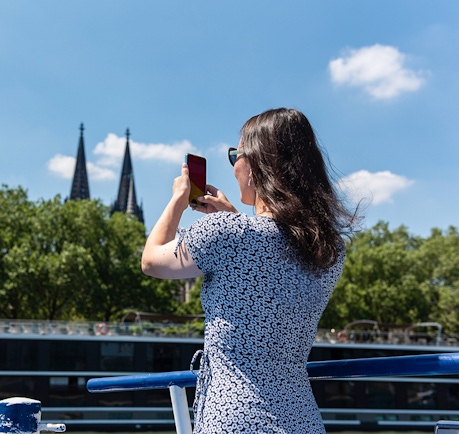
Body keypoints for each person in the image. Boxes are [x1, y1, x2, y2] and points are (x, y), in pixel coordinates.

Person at [141, 108, 357, 433]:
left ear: (255, 165)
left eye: (234, 155)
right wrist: (231, 217)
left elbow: (152, 261)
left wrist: (179, 199)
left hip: (235, 419)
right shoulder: (329, 249)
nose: (233, 167)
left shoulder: (227, 233)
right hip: (301, 420)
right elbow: (271, 256)